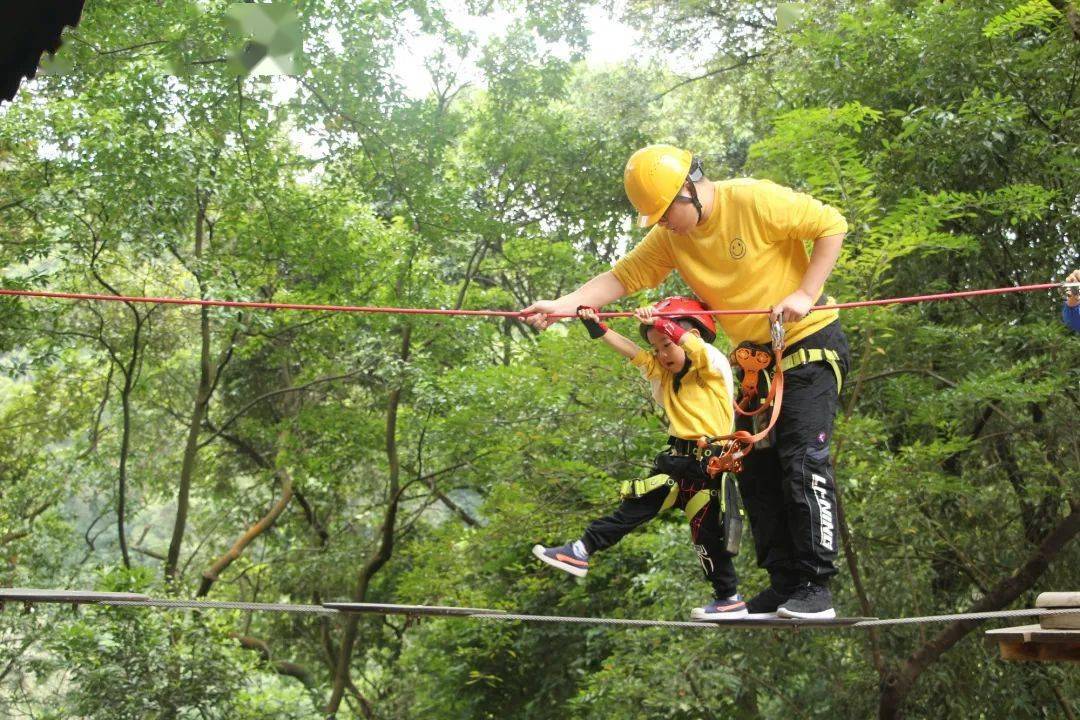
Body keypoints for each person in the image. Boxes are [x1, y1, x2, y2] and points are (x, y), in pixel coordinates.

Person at [523, 144, 851, 620]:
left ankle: (816, 587)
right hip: (758, 362)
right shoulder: (672, 237)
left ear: (690, 190)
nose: (662, 224)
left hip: (811, 341)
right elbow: (623, 276)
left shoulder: (752, 200)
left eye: (664, 213)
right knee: (755, 471)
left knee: (802, 459)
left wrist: (805, 292)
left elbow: (831, 223)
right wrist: (563, 304)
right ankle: (784, 587)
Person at [533, 298, 748, 620]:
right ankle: (580, 550)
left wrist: (662, 322)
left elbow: (694, 347)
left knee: (706, 538)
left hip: (707, 467)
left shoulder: (711, 367)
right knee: (633, 508)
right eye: (657, 348)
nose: (662, 354)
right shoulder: (665, 376)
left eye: (667, 344)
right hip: (678, 464)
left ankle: (728, 597)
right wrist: (599, 327)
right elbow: (634, 353)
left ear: (692, 337)